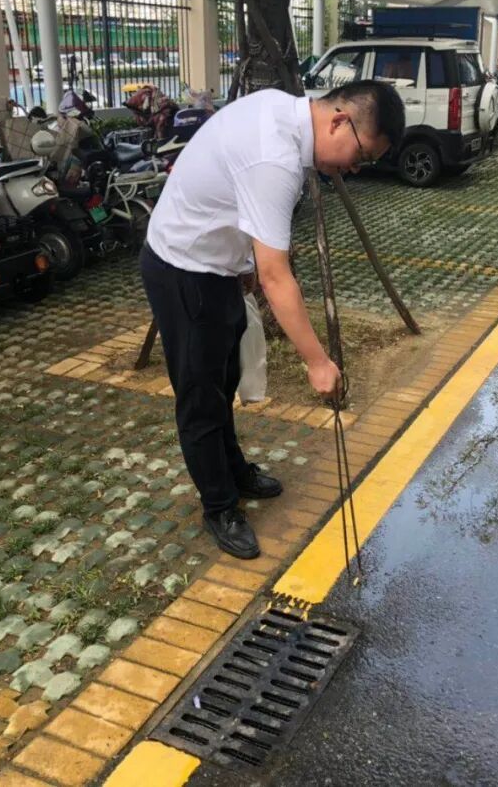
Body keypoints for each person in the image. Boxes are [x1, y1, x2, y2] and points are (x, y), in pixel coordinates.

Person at [140, 80, 404, 559]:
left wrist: (244, 264)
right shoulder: (275, 156)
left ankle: (233, 472)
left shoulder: (285, 117)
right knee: (200, 397)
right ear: (339, 121)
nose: (353, 169)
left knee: (224, 378)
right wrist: (318, 363)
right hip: (182, 267)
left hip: (219, 266)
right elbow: (276, 277)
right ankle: (219, 506)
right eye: (361, 156)